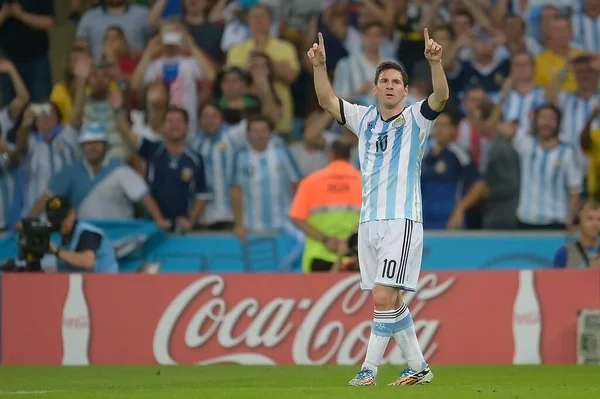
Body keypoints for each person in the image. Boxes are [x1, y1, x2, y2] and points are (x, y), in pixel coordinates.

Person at [307, 28, 449, 386]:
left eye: (395, 81)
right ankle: (418, 367)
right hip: (368, 222)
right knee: (389, 300)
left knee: (384, 296)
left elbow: (442, 97)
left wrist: (435, 63)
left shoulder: (417, 118)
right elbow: (326, 100)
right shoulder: (363, 118)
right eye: (383, 80)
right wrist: (320, 67)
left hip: (401, 220)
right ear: (375, 89)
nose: (389, 86)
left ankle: (368, 369)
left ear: (404, 90)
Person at [289, 140, 362, 273]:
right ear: (350, 156)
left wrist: (325, 239)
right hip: (356, 257)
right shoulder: (364, 181)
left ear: (330, 154)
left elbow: (296, 218)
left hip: (319, 255)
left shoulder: (311, 181)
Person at [45, 195, 119, 273]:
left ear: (72, 213)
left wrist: (56, 251)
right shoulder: (64, 238)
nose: (61, 223)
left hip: (105, 282)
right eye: (55, 219)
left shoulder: (87, 233)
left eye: (63, 217)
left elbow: (87, 262)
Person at [553, 200, 600, 268]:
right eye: (590, 218)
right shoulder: (564, 253)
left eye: (599, 219)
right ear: (579, 220)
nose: (595, 224)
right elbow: (555, 278)